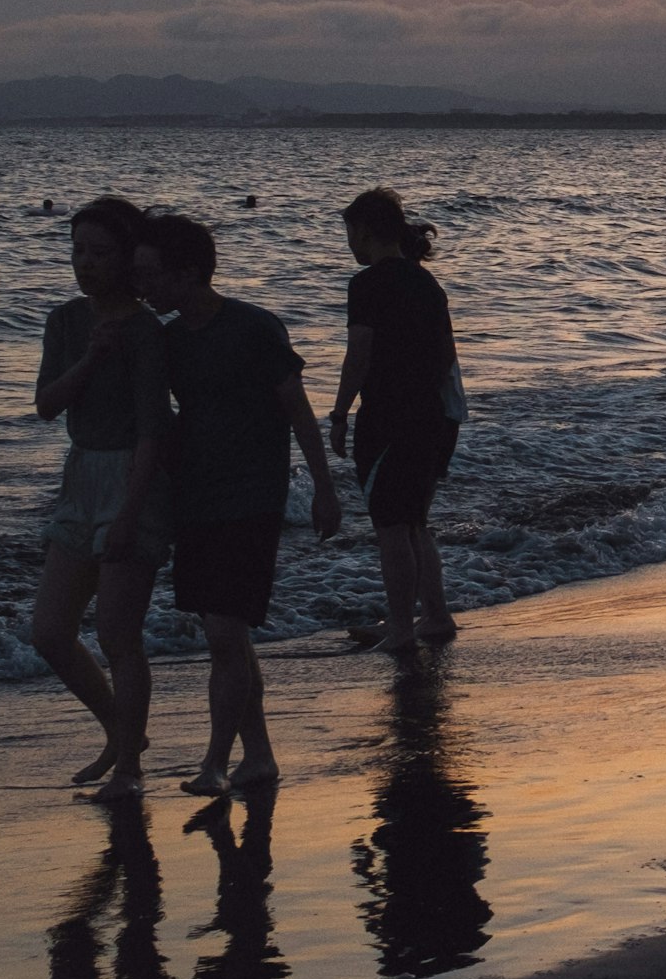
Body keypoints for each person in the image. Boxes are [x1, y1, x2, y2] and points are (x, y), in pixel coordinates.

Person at [133, 211, 344, 795]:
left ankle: (214, 762)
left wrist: (325, 489)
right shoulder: (169, 340)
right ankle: (260, 757)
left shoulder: (255, 328)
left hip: (252, 495)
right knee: (225, 634)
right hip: (195, 496)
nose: (142, 285)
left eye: (151, 274)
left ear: (189, 273)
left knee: (225, 632)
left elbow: (299, 412)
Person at [29, 196, 173, 786]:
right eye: (78, 251)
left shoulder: (146, 332)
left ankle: (131, 768)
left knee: (117, 633)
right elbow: (46, 404)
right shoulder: (66, 321)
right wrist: (90, 358)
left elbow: (153, 432)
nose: (86, 263)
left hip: (132, 478)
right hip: (80, 474)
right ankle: (121, 731)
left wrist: (130, 514)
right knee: (49, 631)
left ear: (126, 257)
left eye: (100, 253)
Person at [330, 188, 467, 656]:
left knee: (392, 529)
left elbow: (358, 357)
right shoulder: (427, 284)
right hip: (433, 417)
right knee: (415, 523)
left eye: (350, 232)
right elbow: (447, 357)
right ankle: (433, 615)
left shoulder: (366, 284)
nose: (349, 242)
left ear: (365, 231)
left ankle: (403, 631)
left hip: (390, 418)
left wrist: (339, 412)